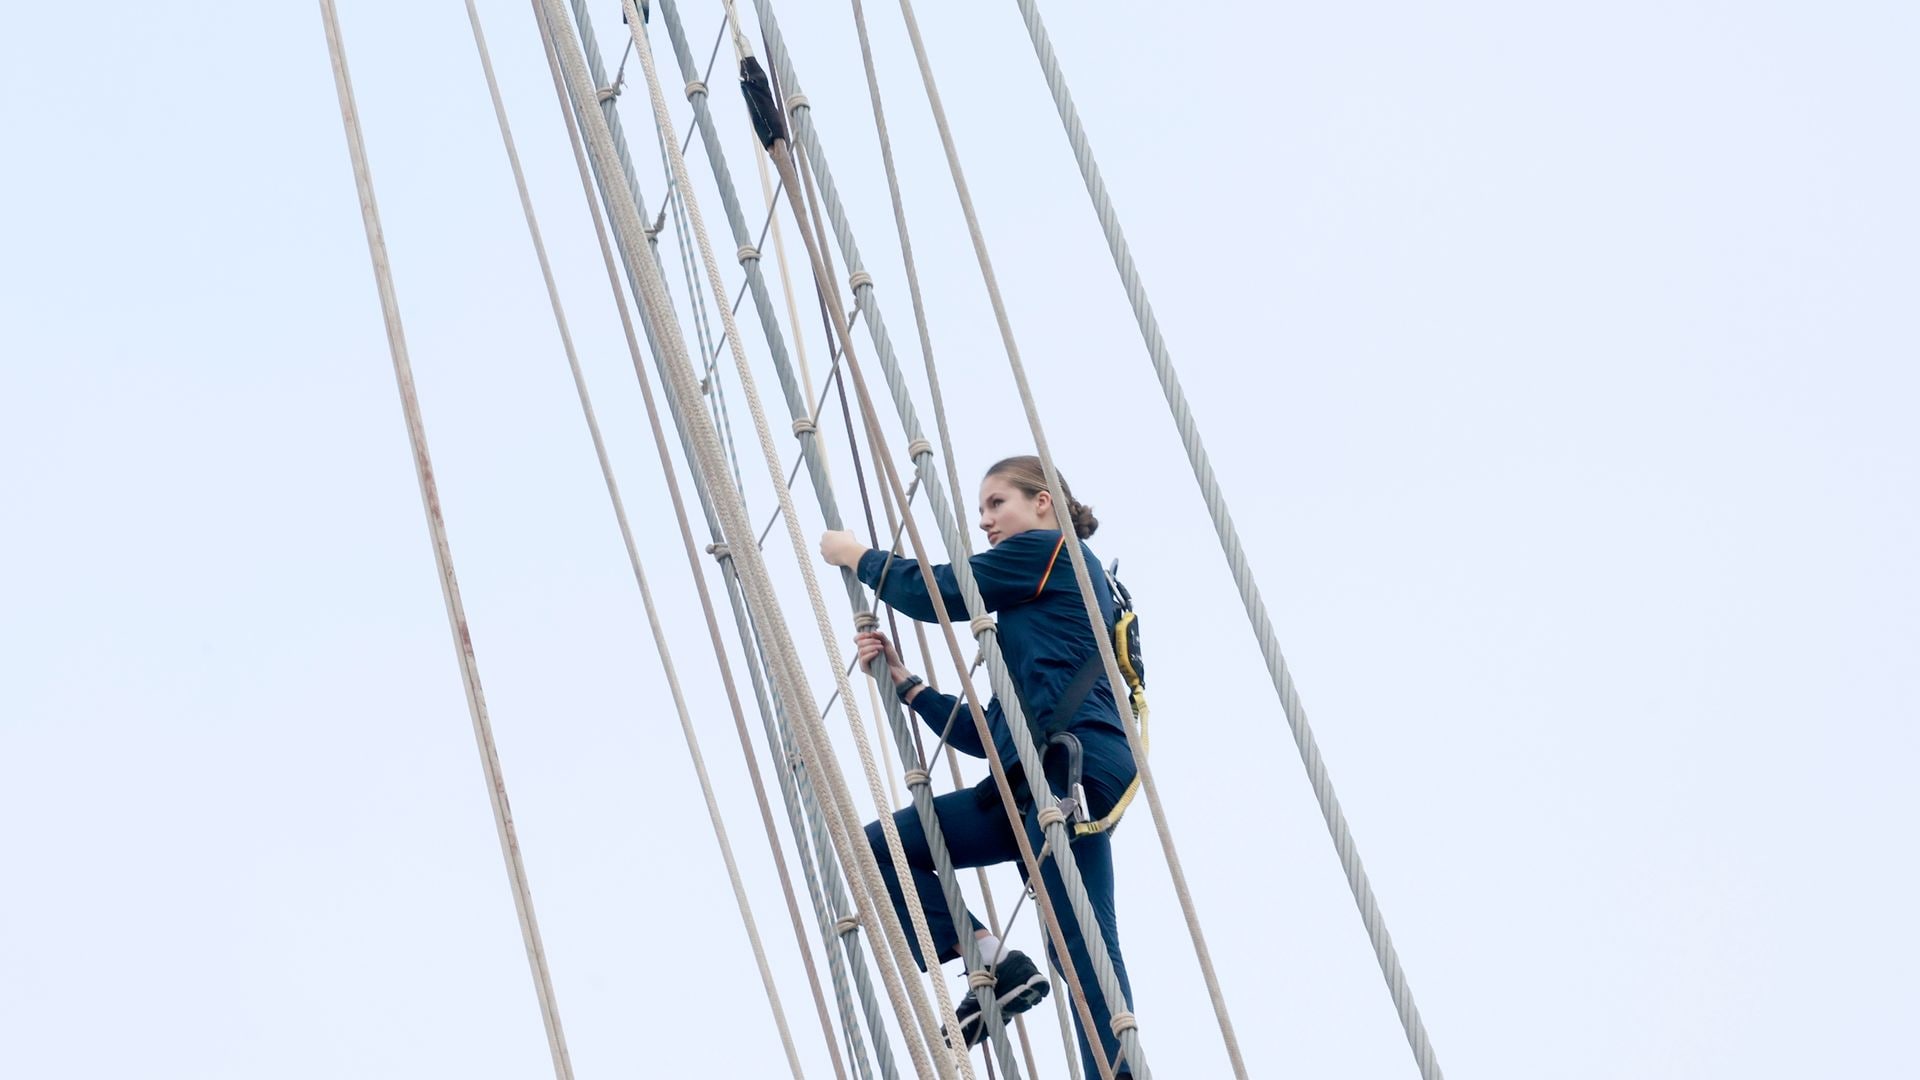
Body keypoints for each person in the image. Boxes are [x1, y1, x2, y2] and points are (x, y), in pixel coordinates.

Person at [819, 455, 1137, 1078]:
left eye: (998, 504)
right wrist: (909, 685)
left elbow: (939, 590)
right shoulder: (1031, 612)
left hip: (1072, 772)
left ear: (1042, 502)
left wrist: (857, 556)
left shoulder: (1051, 552)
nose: (986, 521)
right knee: (880, 850)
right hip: (1029, 775)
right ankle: (990, 958)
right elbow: (992, 733)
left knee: (1081, 944)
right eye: (982, 510)